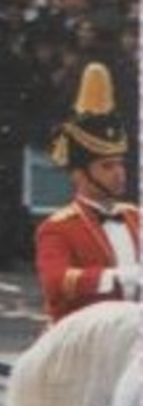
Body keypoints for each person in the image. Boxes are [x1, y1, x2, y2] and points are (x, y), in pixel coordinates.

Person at [34, 61, 140, 323]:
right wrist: (115, 277)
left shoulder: (135, 217)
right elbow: (55, 282)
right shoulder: (57, 227)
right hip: (79, 344)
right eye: (107, 166)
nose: (119, 173)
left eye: (120, 165)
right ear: (79, 175)